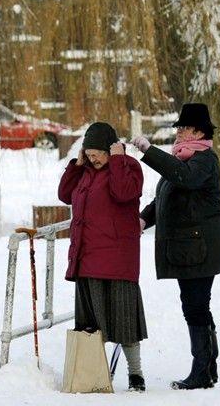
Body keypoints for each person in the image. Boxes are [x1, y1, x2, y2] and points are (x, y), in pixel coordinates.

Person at [132, 103, 220, 391]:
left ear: (198, 131)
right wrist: (143, 220)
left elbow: (183, 178)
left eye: (183, 128)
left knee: (195, 307)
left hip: (200, 247)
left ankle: (201, 372)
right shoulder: (184, 158)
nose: (178, 132)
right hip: (190, 247)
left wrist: (149, 152)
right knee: (197, 307)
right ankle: (207, 368)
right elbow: (165, 196)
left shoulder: (202, 160)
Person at [58, 122, 148, 392]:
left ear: (112, 150)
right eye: (90, 152)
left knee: (125, 322)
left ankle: (136, 375)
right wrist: (76, 164)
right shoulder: (84, 172)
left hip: (118, 260)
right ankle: (92, 374)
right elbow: (64, 195)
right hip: (87, 259)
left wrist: (120, 159)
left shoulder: (128, 168)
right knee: (89, 325)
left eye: (98, 153)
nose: (94, 158)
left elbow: (123, 193)